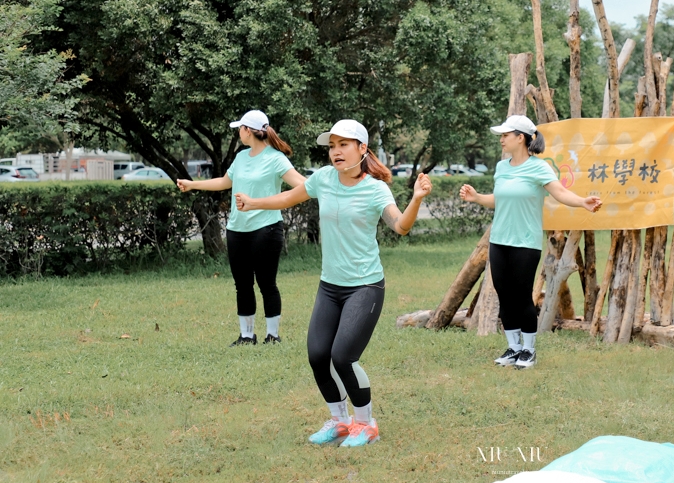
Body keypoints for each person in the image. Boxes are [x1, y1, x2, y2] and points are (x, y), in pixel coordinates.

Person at [235, 119, 432, 448]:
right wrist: (254, 203)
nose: (336, 151)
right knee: (317, 354)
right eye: (332, 146)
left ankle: (366, 424)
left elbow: (400, 226)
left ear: (362, 149)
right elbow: (287, 199)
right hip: (330, 286)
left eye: (344, 144)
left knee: (342, 356)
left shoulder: (375, 188)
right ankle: (340, 421)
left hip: (365, 286)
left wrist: (417, 199)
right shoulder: (324, 179)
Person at [459, 115, 603, 370]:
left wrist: (582, 201)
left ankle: (529, 350)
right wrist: (477, 197)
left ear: (521, 138)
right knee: (505, 296)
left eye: (506, 135)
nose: (501, 139)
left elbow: (559, 192)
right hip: (499, 241)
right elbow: (500, 199)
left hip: (525, 243)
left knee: (522, 297)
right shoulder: (502, 168)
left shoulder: (539, 168)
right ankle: (513, 348)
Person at [177, 110, 306, 346]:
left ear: (249, 131)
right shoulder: (241, 157)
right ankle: (247, 336)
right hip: (237, 230)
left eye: (240, 128)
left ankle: (273, 335)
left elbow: (304, 186)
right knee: (243, 284)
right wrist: (192, 184)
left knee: (267, 283)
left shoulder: (276, 159)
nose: (238, 132)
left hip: (266, 229)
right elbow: (225, 182)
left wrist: (277, 200)